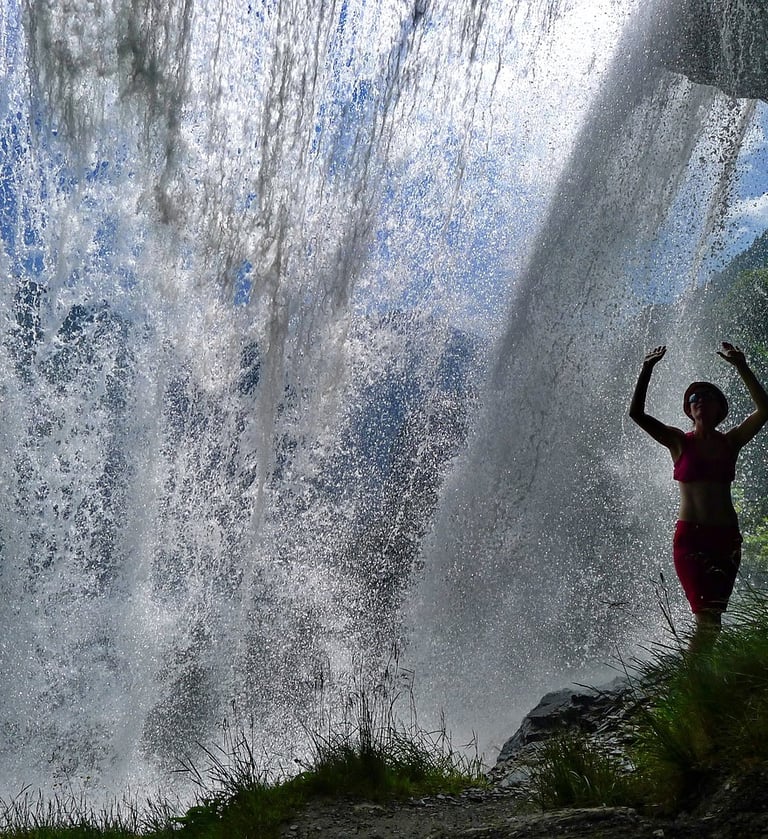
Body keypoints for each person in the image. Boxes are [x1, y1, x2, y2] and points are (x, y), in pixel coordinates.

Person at [629, 342, 768, 652]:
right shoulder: (678, 442)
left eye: (707, 396)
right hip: (691, 540)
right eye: (694, 398)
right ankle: (693, 677)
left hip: (726, 539)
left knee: (713, 620)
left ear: (720, 409)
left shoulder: (731, 442)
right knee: (706, 619)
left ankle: (698, 678)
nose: (700, 399)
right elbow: (636, 413)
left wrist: (742, 366)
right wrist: (647, 368)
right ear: (689, 410)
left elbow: (765, 410)